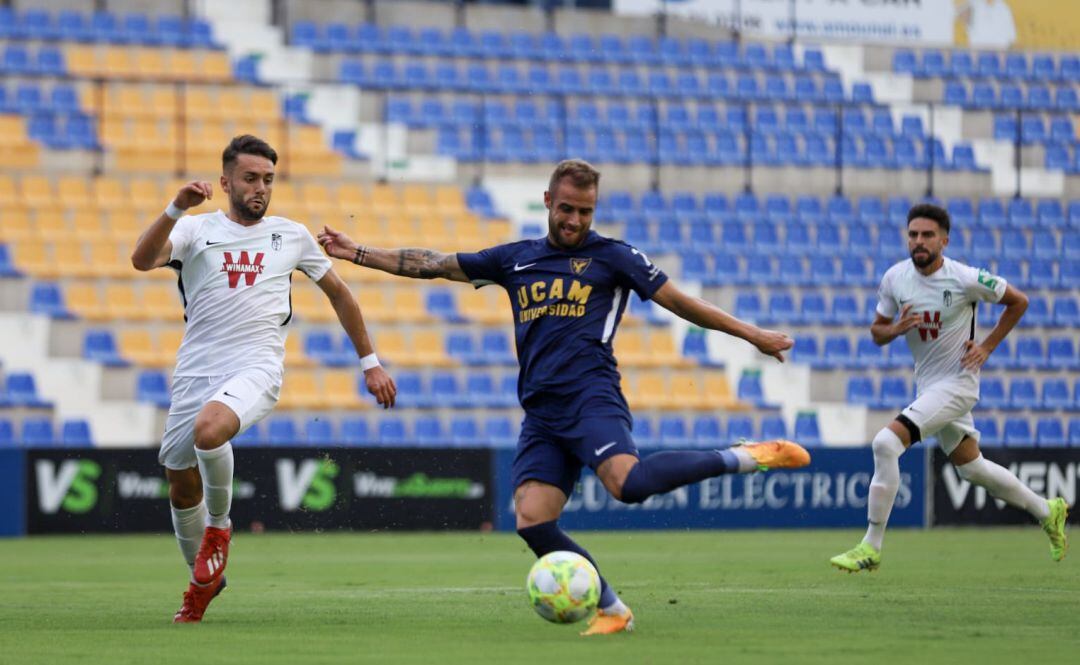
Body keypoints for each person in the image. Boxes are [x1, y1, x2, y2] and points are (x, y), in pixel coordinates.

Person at [318, 159, 811, 636]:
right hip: (541, 413)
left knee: (629, 485)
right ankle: (613, 609)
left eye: (586, 211)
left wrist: (752, 334)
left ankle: (744, 456)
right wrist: (357, 252)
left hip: (590, 397)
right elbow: (431, 264)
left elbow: (681, 302)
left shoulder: (614, 257)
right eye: (568, 209)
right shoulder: (514, 259)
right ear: (549, 202)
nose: (576, 219)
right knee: (532, 521)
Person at [131, 135, 397, 623]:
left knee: (210, 431)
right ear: (227, 180)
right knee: (179, 481)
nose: (261, 188)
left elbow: (340, 294)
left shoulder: (289, 235)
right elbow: (142, 260)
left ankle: (219, 530)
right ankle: (202, 579)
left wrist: (370, 362)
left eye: (268, 180)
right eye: (251, 178)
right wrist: (174, 207)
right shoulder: (196, 230)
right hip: (195, 370)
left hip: (257, 365)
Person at [830, 203, 1068, 573]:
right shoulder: (895, 278)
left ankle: (870, 546)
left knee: (885, 443)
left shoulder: (965, 278)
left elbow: (1018, 301)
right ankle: (1046, 510)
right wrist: (895, 330)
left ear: (944, 239)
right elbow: (877, 331)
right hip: (928, 385)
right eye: (913, 235)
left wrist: (987, 347)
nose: (919, 242)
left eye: (927, 235)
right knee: (971, 468)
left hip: (958, 384)